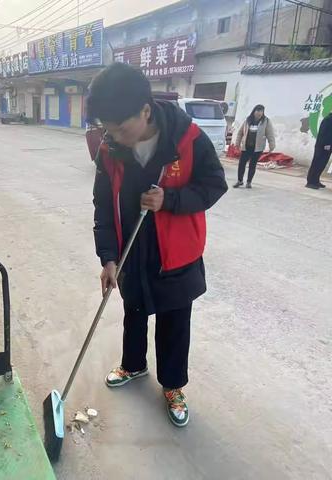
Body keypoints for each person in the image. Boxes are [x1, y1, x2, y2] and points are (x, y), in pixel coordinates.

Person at [88, 63, 228, 428]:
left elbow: (214, 186)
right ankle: (133, 365)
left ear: (145, 111)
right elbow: (103, 204)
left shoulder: (188, 139)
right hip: (132, 249)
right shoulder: (109, 148)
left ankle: (173, 386)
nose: (115, 136)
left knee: (174, 322)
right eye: (108, 128)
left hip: (176, 254)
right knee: (133, 312)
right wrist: (108, 256)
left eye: (121, 127)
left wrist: (171, 201)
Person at [234, 104, 275, 188]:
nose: (259, 113)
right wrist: (237, 144)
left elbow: (270, 134)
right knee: (242, 164)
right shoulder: (248, 120)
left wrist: (272, 146)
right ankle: (240, 180)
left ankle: (249, 182)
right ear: (254, 111)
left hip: (257, 148)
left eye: (261, 111)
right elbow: (240, 133)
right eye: (258, 111)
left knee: (252, 165)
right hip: (246, 146)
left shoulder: (266, 121)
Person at [306, 112, 332, 189]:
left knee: (322, 164)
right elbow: (324, 133)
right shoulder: (328, 119)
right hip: (322, 146)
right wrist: (326, 144)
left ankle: (316, 181)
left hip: (328, 146)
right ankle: (310, 182)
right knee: (317, 163)